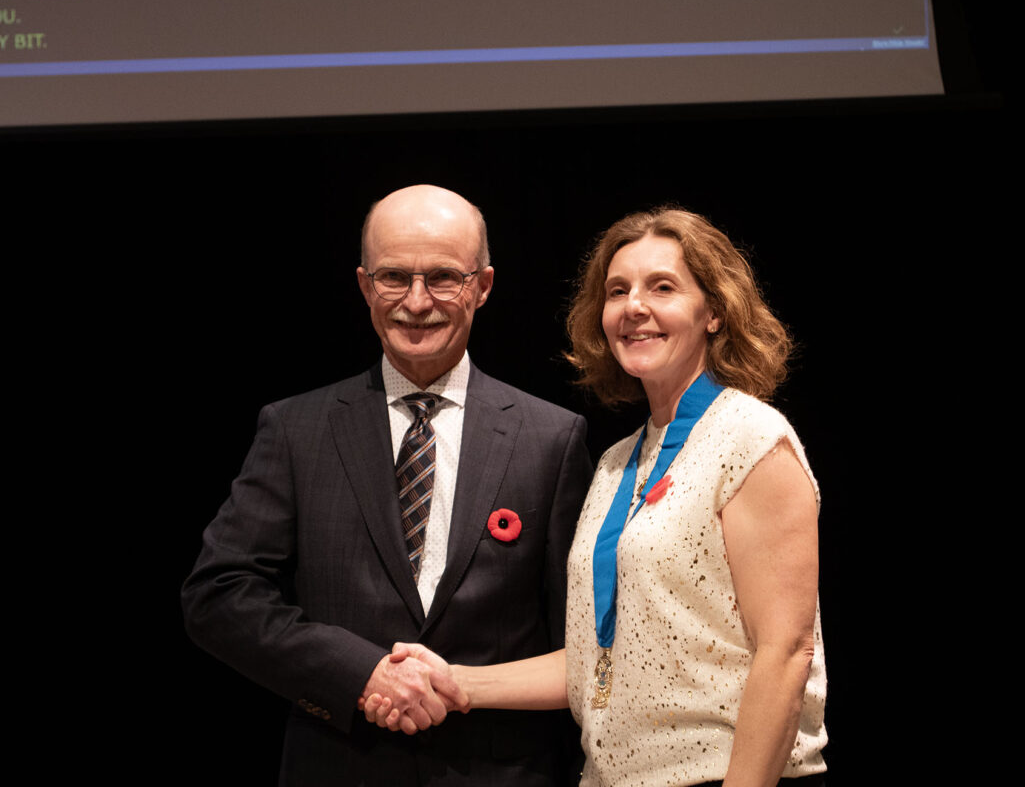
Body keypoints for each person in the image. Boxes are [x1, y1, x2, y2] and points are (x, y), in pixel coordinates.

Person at [365, 207, 827, 786]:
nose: (634, 307)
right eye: (617, 290)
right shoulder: (617, 462)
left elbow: (785, 653)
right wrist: (454, 682)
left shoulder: (752, 439)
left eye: (662, 287)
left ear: (714, 311)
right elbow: (596, 658)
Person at [181, 184, 593, 786]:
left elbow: (581, 641)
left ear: (483, 285)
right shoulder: (295, 429)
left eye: (444, 278)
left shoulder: (552, 439)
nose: (417, 302)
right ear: (364, 284)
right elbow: (217, 594)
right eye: (394, 277)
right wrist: (360, 672)